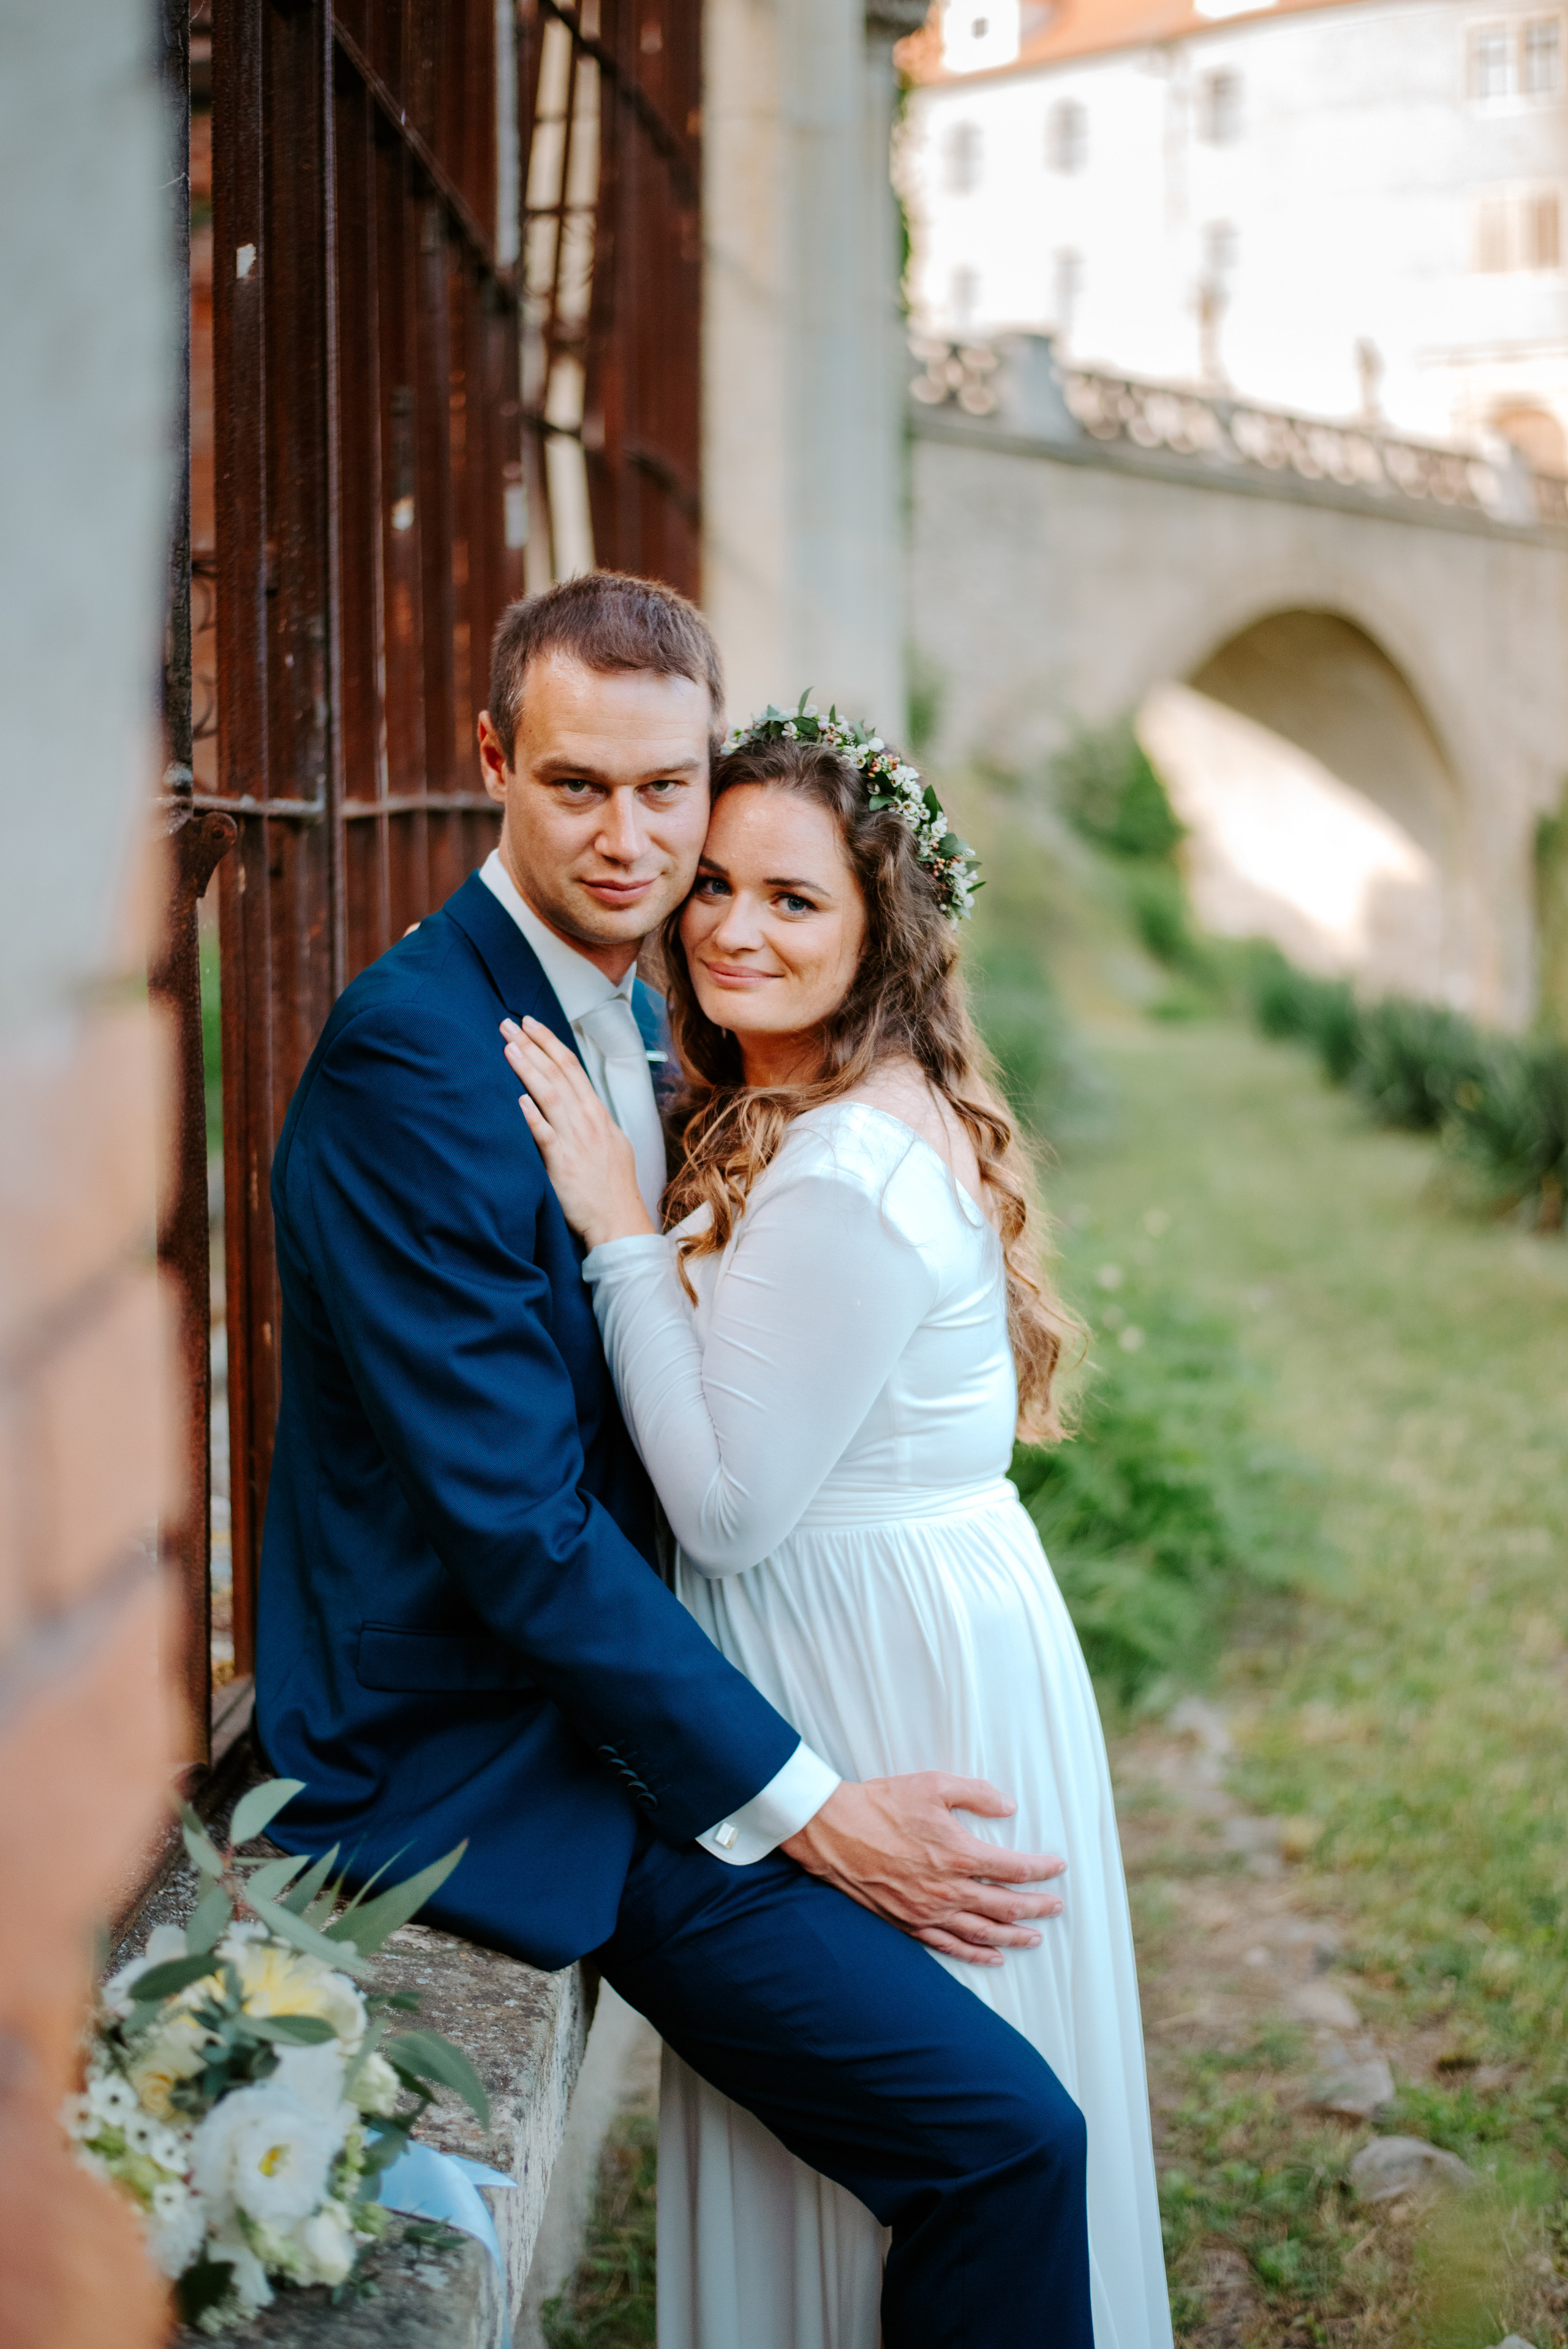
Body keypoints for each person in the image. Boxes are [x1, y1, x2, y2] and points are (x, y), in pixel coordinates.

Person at [255, 571, 1093, 2349]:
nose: (632, 839)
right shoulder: (418, 1059)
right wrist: (813, 1808)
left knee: (1006, 2132)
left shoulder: (647, 1014)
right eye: (578, 785)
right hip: (497, 1751)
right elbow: (521, 1530)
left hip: (637, 1707)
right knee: (1004, 2139)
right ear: (496, 762)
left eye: (667, 790)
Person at [502, 700, 1174, 2349]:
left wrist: (617, 1232)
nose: (732, 928)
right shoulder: (822, 1106)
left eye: (793, 898)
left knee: (922, 2126)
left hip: (874, 1663)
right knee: (901, 2124)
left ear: (881, 929)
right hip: (908, 1617)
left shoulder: (847, 1170)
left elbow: (728, 1511)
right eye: (716, 885)